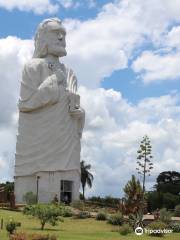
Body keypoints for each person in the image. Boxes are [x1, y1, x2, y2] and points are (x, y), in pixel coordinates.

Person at [15, 18, 85, 179]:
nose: (61, 38)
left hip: (67, 148)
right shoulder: (33, 66)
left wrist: (79, 114)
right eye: (56, 33)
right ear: (43, 38)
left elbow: (73, 110)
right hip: (38, 148)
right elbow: (26, 104)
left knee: (67, 182)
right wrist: (54, 80)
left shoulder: (70, 73)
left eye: (63, 34)